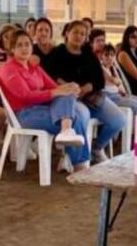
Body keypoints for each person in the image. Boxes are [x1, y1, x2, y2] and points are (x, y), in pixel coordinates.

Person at [0, 30, 89, 169]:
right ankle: (80, 166)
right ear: (12, 49)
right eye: (19, 45)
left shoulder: (34, 67)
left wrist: (69, 87)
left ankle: (66, 133)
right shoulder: (8, 69)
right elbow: (25, 96)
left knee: (67, 94)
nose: (24, 48)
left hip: (43, 107)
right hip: (23, 114)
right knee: (74, 118)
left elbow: (53, 87)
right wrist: (58, 91)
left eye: (27, 44)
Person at [44, 20, 125, 163]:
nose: (78, 36)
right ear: (67, 33)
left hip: (91, 96)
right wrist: (67, 86)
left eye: (82, 34)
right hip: (68, 97)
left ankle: (96, 148)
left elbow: (99, 80)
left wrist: (86, 88)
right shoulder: (57, 52)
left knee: (118, 120)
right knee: (81, 118)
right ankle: (72, 157)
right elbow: (50, 75)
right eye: (75, 32)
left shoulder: (89, 54)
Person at [98, 42, 137, 130]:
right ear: (101, 56)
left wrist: (123, 91)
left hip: (118, 95)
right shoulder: (101, 68)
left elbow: (120, 86)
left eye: (112, 55)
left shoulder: (113, 68)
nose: (109, 57)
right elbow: (115, 81)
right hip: (109, 97)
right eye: (106, 55)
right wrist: (118, 83)